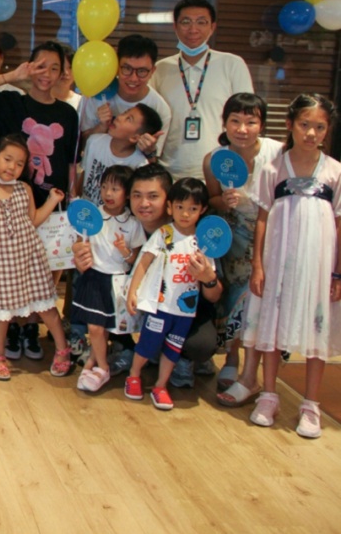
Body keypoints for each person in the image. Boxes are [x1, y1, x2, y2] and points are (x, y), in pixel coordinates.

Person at [245, 94, 341, 439]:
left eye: (319, 127)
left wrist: (337, 272)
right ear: (290, 125)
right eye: (304, 125)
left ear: (327, 131)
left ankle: (310, 404)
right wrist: (258, 264)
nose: (311, 133)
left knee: (317, 329)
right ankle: (269, 395)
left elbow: (339, 223)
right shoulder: (273, 169)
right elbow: (262, 219)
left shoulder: (335, 171)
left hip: (317, 266)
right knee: (272, 325)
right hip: (279, 262)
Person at [0, 134, 73, 381]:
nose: (12, 167)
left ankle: (62, 349)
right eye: (7, 159)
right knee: (0, 312)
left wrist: (52, 201)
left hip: (29, 258)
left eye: (19, 163)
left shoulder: (24, 188)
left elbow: (33, 220)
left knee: (46, 305)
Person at [206, 94, 283, 407]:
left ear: (261, 124)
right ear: (224, 123)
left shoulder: (278, 153)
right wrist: (224, 202)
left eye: (251, 122)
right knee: (231, 299)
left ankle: (254, 374)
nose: (242, 128)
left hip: (270, 237)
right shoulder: (214, 158)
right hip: (232, 238)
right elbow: (210, 200)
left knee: (259, 302)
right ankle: (231, 359)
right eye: (235, 121)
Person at [125, 178, 221, 411]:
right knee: (148, 344)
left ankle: (161, 385)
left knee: (173, 349)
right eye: (180, 207)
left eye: (193, 208)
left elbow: (209, 275)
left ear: (202, 210)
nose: (185, 214)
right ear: (170, 207)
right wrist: (132, 292)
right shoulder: (164, 233)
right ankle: (134, 375)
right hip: (160, 306)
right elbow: (144, 262)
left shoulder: (204, 243)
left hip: (185, 311)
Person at [151, 0, 254, 179]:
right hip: (170, 171)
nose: (193, 29)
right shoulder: (160, 69)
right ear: (175, 27)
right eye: (186, 22)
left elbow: (247, 117)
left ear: (212, 27)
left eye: (201, 22)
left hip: (219, 171)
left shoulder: (232, 64)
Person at [0, 40, 78, 207]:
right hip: (8, 202)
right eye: (41, 67)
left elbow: (70, 163)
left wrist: (72, 198)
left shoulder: (68, 113)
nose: (46, 74)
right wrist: (13, 75)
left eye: (54, 69)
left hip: (52, 204)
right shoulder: (11, 103)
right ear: (30, 67)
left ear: (61, 73)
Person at [71, 165, 145, 392]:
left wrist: (124, 251)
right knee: (94, 327)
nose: (108, 193)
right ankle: (103, 367)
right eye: (104, 187)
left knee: (103, 328)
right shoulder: (92, 215)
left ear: (127, 193)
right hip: (93, 278)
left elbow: (136, 260)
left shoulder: (133, 223)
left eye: (115, 189)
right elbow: (77, 242)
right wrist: (78, 248)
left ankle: (94, 363)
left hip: (117, 282)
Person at [79, 34, 171, 157]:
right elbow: (80, 146)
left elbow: (153, 161)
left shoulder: (159, 108)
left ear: (152, 71)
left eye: (142, 71)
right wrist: (101, 127)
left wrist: (149, 151)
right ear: (117, 66)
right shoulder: (97, 94)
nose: (133, 78)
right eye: (127, 68)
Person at [78, 104, 162, 205]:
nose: (119, 117)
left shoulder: (139, 164)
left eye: (128, 119)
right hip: (84, 209)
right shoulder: (94, 141)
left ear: (135, 138)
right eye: (124, 113)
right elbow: (84, 174)